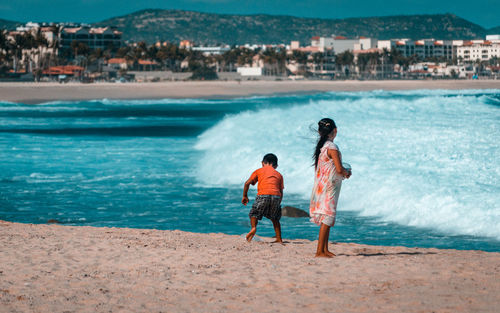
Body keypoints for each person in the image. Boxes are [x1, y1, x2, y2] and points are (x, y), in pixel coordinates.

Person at [310, 118, 351, 257]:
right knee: (327, 218)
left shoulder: (322, 147)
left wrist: (343, 172)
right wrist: (347, 173)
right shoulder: (332, 147)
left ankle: (324, 249)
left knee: (326, 217)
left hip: (322, 186)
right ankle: (319, 251)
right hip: (329, 187)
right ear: (335, 130)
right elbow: (339, 169)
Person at [242, 153, 284, 243]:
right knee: (275, 217)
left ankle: (253, 228)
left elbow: (247, 183)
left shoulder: (259, 171)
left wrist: (245, 195)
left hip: (263, 195)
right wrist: (278, 202)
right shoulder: (279, 175)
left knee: (254, 213)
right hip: (276, 196)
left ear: (262, 163)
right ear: (276, 166)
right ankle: (279, 239)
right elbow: (281, 191)